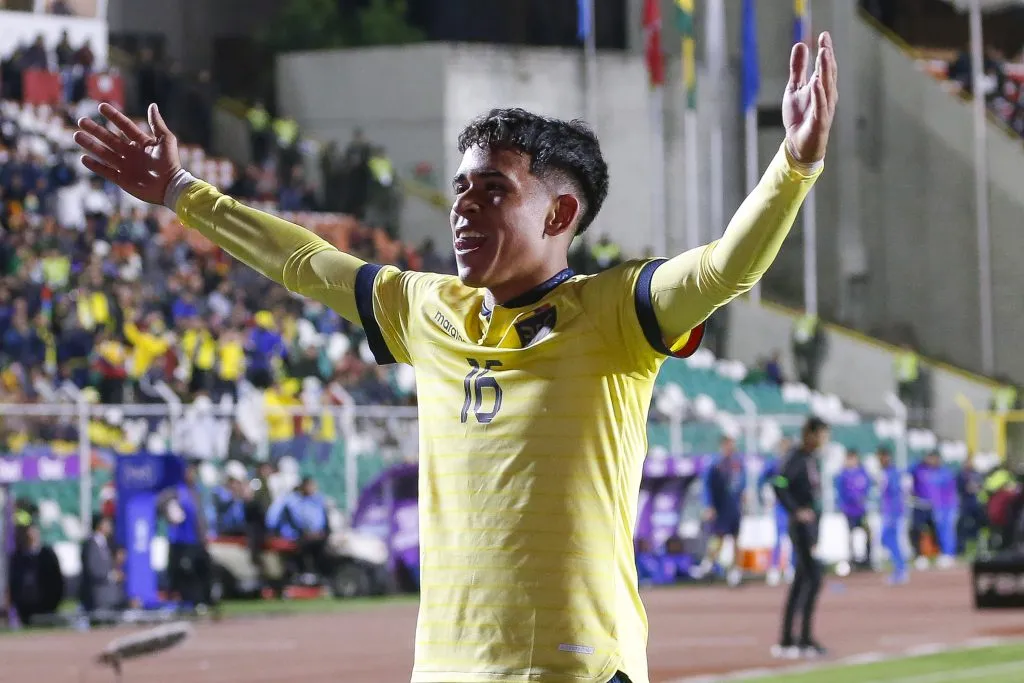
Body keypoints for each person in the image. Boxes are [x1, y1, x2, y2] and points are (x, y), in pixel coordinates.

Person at [73, 31, 838, 683]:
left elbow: (723, 269)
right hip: (444, 666)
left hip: (572, 665)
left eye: (492, 189)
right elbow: (306, 262)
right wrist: (181, 190)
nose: (464, 206)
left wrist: (793, 165)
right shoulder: (429, 308)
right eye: (460, 188)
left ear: (560, 211)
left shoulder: (617, 311)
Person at [771, 417, 831, 659]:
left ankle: (789, 639)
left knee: (802, 581)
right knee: (813, 579)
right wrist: (796, 510)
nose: (825, 440)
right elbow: (779, 483)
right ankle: (802, 638)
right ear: (810, 434)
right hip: (801, 528)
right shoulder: (796, 458)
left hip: (811, 527)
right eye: (822, 434)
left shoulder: (810, 459)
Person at [158, 461, 218, 615]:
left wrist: (204, 536)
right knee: (184, 572)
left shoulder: (195, 491)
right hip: (180, 541)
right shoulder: (175, 491)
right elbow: (161, 505)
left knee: (203, 570)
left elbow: (200, 517)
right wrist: (169, 509)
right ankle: (188, 601)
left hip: (196, 540)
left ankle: (204, 601)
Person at [697, 436, 747, 587]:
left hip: (734, 507)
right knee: (718, 538)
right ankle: (708, 565)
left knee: (737, 539)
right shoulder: (715, 463)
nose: (731, 447)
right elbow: (706, 485)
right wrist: (708, 505)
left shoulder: (738, 463)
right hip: (720, 507)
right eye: (728, 444)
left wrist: (743, 496)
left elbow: (742, 482)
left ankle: (735, 573)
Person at [910, 451, 957, 570]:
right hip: (934, 506)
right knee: (937, 530)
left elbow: (949, 491)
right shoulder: (924, 471)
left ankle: (948, 554)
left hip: (946, 506)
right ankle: (935, 555)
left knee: (946, 530)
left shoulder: (945, 473)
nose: (932, 461)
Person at [758, 438, 794, 587]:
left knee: (792, 538)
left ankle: (791, 567)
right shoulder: (775, 463)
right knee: (779, 538)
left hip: (792, 506)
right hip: (780, 506)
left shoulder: (793, 464)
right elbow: (762, 479)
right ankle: (774, 568)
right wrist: (765, 494)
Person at [833, 448, 872, 570]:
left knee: (868, 533)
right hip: (849, 510)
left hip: (861, 510)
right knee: (851, 534)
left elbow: (868, 487)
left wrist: (864, 498)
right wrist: (843, 505)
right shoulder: (842, 474)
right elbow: (840, 492)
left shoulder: (862, 472)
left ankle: (867, 559)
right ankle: (852, 559)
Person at [79, 514, 123, 615]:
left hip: (109, 595)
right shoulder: (91, 544)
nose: (110, 526)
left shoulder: (105, 543)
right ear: (100, 525)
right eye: (107, 523)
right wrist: (112, 576)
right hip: (98, 595)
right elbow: (93, 568)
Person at [876, 447, 908, 585]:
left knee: (889, 538)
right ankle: (900, 567)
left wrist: (892, 512)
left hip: (893, 512)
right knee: (887, 539)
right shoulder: (885, 473)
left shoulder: (892, 473)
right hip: (889, 511)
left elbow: (896, 493)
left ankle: (900, 569)